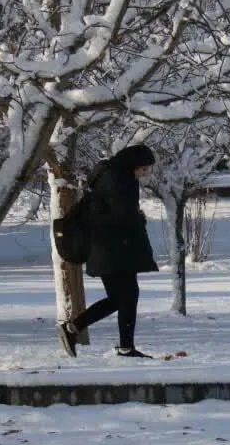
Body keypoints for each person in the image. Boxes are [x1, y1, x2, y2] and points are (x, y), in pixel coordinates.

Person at [58, 144, 159, 358]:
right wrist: (137, 218)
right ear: (134, 164)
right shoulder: (118, 180)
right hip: (113, 250)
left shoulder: (113, 176)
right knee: (128, 295)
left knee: (119, 298)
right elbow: (119, 216)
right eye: (144, 168)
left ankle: (73, 329)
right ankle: (124, 347)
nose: (145, 173)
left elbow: (113, 212)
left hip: (110, 249)